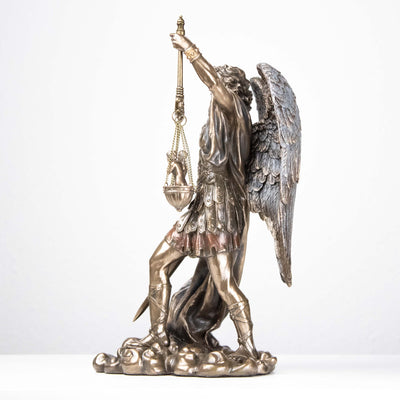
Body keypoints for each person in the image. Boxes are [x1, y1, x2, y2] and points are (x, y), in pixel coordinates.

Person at [139, 33, 258, 360]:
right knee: (157, 263)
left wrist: (189, 49)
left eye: (221, 84)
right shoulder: (218, 124)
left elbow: (212, 82)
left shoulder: (234, 112)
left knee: (225, 284)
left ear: (232, 90)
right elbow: (207, 172)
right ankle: (157, 337)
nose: (214, 92)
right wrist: (180, 177)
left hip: (220, 210)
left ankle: (248, 346)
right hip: (201, 206)